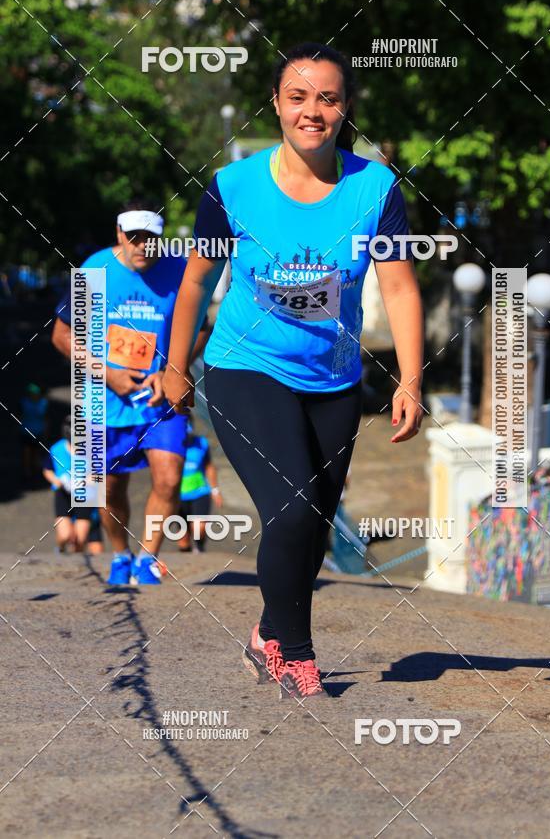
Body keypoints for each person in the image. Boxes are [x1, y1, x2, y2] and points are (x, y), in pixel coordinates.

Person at [164, 42, 424, 702]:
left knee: (313, 526)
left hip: (333, 382)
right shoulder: (233, 188)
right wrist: (175, 367)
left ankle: (266, 629)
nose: (313, 111)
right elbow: (195, 283)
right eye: (299, 97)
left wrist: (411, 380)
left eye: (328, 98)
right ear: (277, 104)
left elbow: (398, 289)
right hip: (244, 367)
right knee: (293, 509)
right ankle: (296, 653)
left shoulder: (375, 188)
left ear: (345, 109)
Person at [51, 199, 212, 585]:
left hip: (159, 396)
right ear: (119, 234)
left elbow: (202, 327)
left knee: (170, 478)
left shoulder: (180, 271)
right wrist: (107, 373)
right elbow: (62, 336)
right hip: (102, 399)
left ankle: (147, 558)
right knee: (106, 489)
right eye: (134, 237)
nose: (143, 246)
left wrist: (173, 369)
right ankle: (120, 553)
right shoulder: (95, 270)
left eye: (151, 238)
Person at [42, 415, 103, 554]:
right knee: (65, 535)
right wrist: (58, 481)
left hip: (85, 496)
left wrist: (84, 482)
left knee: (79, 540)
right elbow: (47, 470)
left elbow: (100, 476)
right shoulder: (56, 449)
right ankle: (60, 550)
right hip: (64, 494)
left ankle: (75, 563)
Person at [177, 422, 223, 552]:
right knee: (182, 540)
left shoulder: (201, 443)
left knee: (199, 528)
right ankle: (187, 561)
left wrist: (215, 490)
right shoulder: (171, 446)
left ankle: (200, 547)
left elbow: (209, 467)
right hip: (178, 496)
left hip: (200, 491)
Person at [20, 382, 48, 479]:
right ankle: (27, 472)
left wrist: (45, 430)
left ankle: (36, 471)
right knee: (26, 452)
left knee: (36, 453)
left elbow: (45, 418)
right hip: (26, 431)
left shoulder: (43, 403)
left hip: (38, 431)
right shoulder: (24, 402)